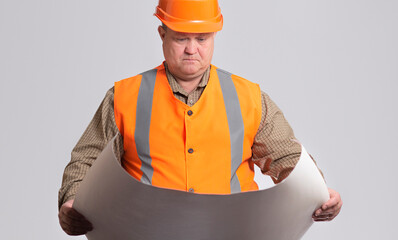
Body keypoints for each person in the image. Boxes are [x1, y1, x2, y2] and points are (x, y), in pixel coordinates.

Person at [58, 0, 342, 236]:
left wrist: (320, 194)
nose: (192, 49)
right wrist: (71, 201)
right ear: (162, 34)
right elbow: (86, 160)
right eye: (182, 38)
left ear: (215, 36)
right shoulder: (123, 96)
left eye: (201, 38)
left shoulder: (249, 98)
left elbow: (289, 160)